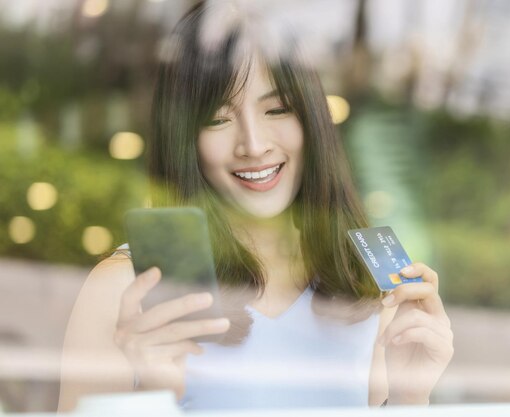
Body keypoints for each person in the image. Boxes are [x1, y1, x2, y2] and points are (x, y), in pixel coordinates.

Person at [58, 0, 453, 411]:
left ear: (312, 119)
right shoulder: (124, 290)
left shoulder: (364, 286)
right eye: (216, 118)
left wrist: (411, 396)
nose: (254, 144)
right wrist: (152, 397)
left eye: (277, 108)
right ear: (184, 137)